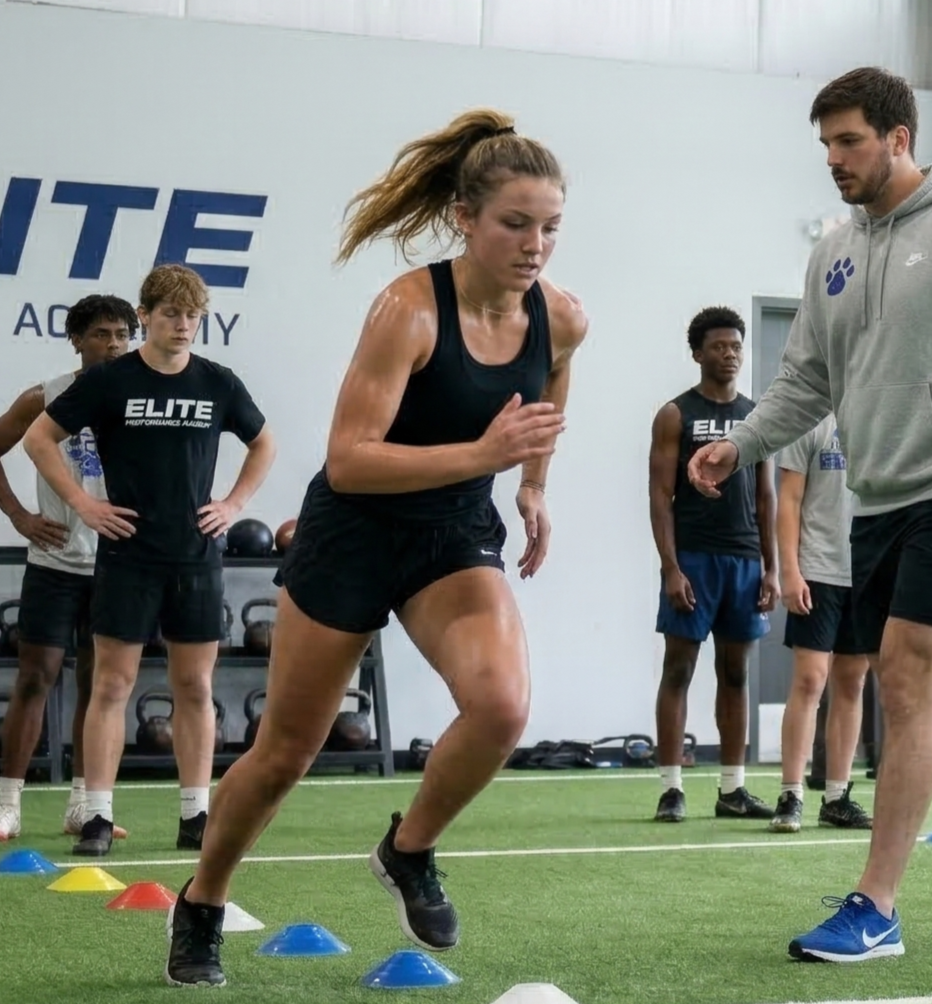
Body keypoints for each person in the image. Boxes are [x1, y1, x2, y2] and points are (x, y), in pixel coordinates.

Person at [164, 109, 587, 989]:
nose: (534, 243)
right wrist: (481, 456)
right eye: (514, 222)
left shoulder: (562, 318)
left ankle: (408, 848)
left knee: (503, 708)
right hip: (352, 535)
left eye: (549, 225)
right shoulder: (407, 310)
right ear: (464, 219)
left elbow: (546, 403)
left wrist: (533, 486)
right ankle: (202, 900)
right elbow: (351, 463)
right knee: (284, 752)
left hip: (451, 536)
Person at [688, 66, 932, 962]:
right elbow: (805, 382)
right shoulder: (832, 249)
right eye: (824, 144)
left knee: (904, 676)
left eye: (848, 141)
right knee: (905, 688)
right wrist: (740, 444)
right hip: (878, 501)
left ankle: (875, 906)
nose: (831, 159)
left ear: (898, 137)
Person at [22, 263, 276, 855]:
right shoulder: (112, 380)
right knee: (111, 684)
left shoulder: (218, 382)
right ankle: (97, 817)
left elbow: (264, 441)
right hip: (128, 555)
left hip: (194, 557)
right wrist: (83, 503)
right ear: (146, 317)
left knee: (194, 685)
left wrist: (234, 503)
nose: (183, 325)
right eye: (170, 314)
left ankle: (196, 816)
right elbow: (40, 438)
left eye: (191, 315)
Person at [0, 293, 136, 841]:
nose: (113, 345)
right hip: (55, 559)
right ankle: (7, 804)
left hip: (116, 563)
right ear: (77, 340)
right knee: (35, 676)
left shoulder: (146, 395)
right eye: (101, 335)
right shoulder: (46, 397)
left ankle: (85, 805)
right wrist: (18, 515)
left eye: (121, 335)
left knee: (100, 684)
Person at [647, 306, 779, 824]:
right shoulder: (675, 414)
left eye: (736, 347)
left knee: (736, 672)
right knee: (678, 668)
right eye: (719, 347)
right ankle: (671, 788)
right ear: (698, 353)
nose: (730, 355)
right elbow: (660, 495)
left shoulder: (756, 418)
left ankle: (732, 789)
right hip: (694, 560)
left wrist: (771, 568)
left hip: (744, 560)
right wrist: (670, 567)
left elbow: (766, 498)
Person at [770, 412, 873, 834]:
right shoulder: (808, 420)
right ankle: (791, 792)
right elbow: (789, 499)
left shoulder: (875, 417)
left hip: (866, 571)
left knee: (851, 683)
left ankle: (836, 796)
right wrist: (789, 572)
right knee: (810, 681)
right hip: (816, 570)